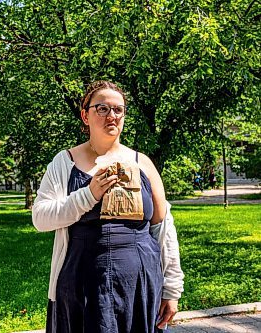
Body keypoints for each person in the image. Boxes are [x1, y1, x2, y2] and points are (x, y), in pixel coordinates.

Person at [32, 80, 184, 333]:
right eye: (102, 108)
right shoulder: (64, 162)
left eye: (118, 109)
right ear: (85, 115)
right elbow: (41, 218)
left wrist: (171, 289)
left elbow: (163, 230)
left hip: (139, 282)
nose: (111, 116)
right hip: (82, 282)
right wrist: (88, 194)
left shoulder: (142, 163)